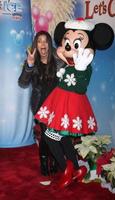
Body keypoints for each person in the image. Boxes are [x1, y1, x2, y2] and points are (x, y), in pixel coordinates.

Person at [34, 19, 114, 188]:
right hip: (60, 103)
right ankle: (76, 169)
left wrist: (80, 68)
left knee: (49, 136)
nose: (69, 47)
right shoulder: (70, 64)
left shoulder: (83, 66)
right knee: (62, 138)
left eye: (76, 43)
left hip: (70, 106)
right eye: (67, 43)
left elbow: (80, 87)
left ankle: (66, 168)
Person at [18, 30, 65, 176]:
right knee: (46, 135)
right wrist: (30, 65)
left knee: (56, 135)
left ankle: (55, 159)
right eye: (39, 41)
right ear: (36, 45)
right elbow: (23, 82)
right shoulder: (32, 62)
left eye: (45, 41)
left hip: (57, 105)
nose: (42, 44)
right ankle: (45, 161)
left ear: (49, 44)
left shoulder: (58, 61)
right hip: (40, 107)